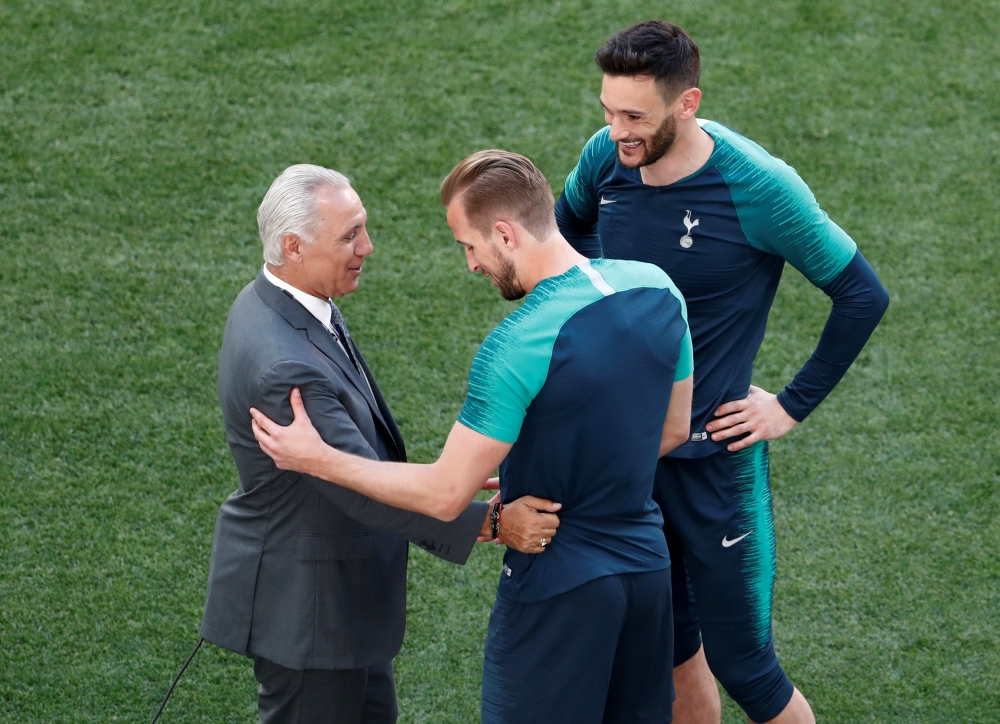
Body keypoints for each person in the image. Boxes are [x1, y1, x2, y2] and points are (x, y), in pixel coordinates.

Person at [249, 150, 695, 724]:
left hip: (559, 585)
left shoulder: (517, 344)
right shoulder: (660, 289)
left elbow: (444, 494)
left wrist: (319, 459)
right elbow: (673, 428)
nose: (471, 264)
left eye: (469, 245)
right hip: (648, 575)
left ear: (505, 235)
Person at [554, 20, 891, 724]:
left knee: (748, 669)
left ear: (688, 103)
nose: (618, 132)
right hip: (629, 461)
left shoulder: (757, 188)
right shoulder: (606, 157)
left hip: (716, 467)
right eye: (609, 110)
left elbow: (862, 294)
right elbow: (567, 233)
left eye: (635, 116)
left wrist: (790, 405)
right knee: (670, 651)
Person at [200, 164, 560, 724]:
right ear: (293, 247)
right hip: (311, 616)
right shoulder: (284, 366)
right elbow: (355, 489)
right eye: (349, 236)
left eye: (362, 228)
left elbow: (350, 465)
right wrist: (490, 524)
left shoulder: (283, 303)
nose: (367, 247)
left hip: (336, 607)